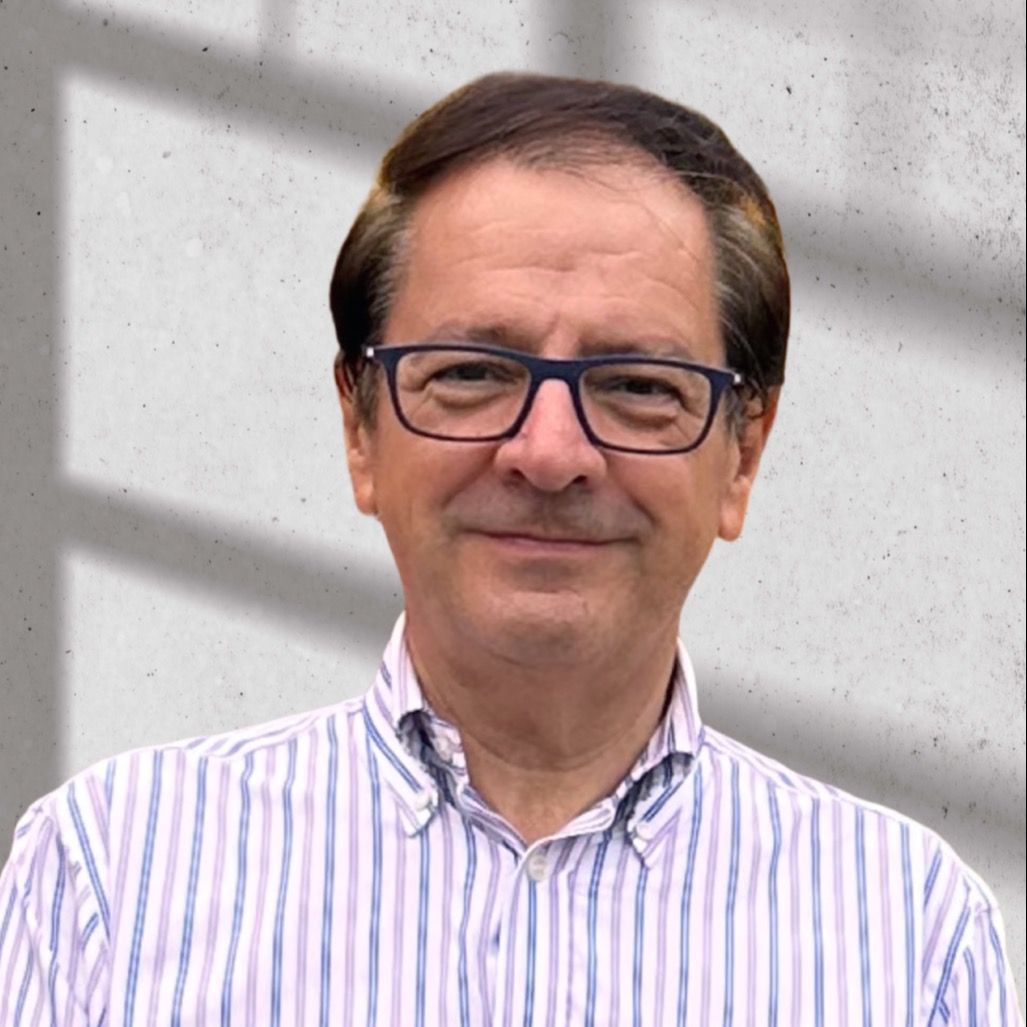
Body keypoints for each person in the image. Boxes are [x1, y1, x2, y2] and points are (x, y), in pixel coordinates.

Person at [0, 72, 1020, 1027]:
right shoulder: (110, 880)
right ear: (360, 430)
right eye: (472, 373)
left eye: (638, 386)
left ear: (742, 452)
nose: (549, 453)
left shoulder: (906, 938)